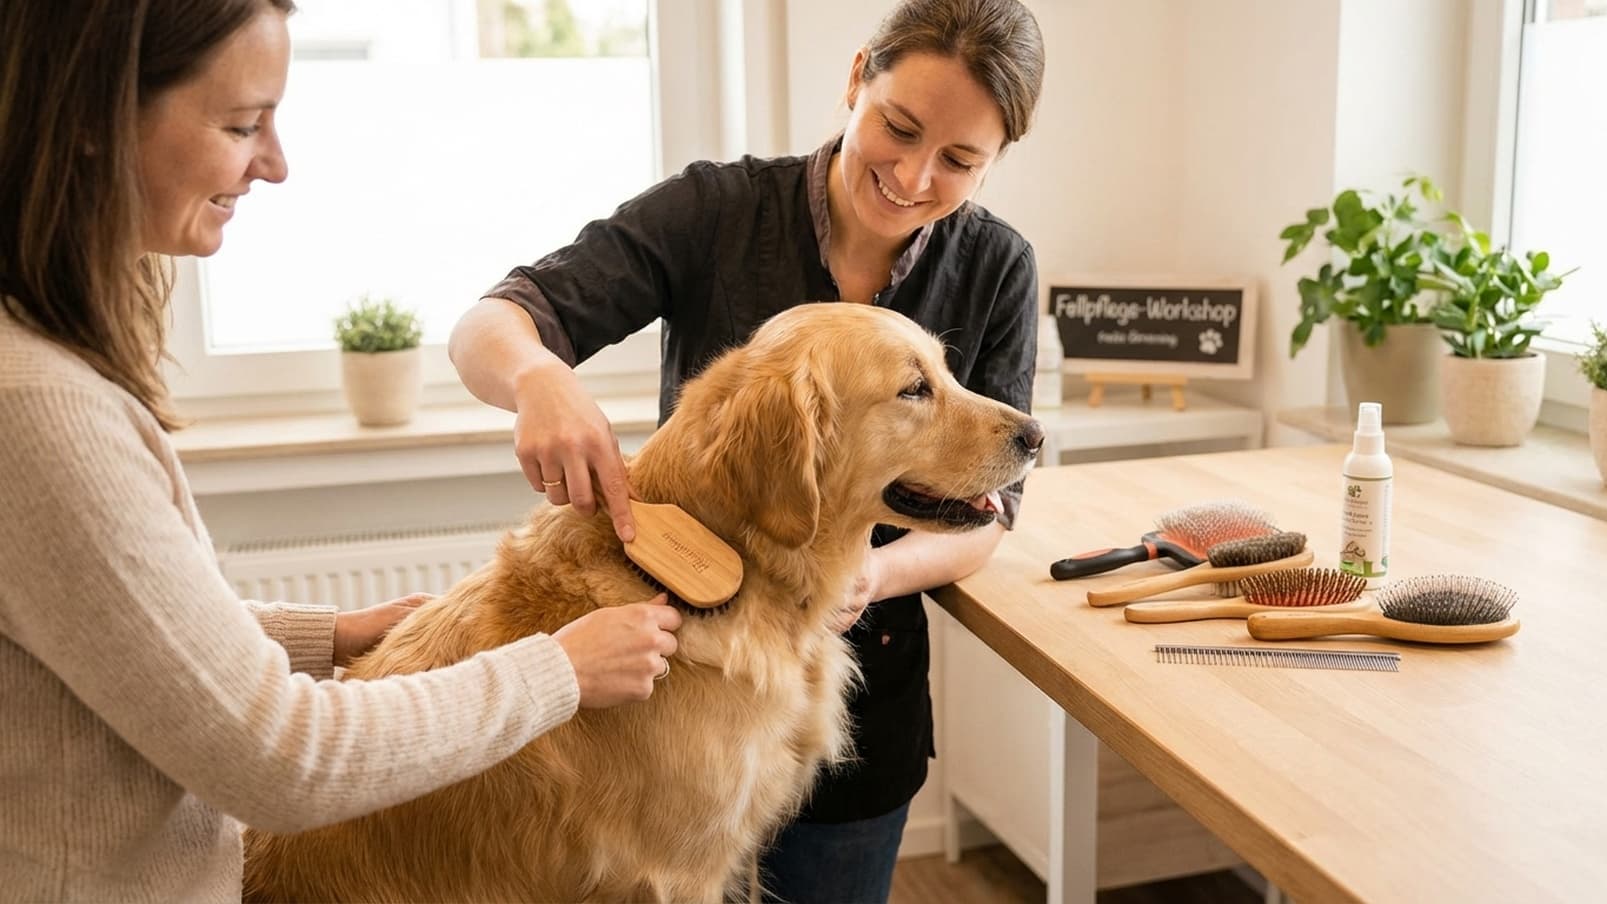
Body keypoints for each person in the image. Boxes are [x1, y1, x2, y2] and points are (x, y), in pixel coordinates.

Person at [0, 2, 680, 900]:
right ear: (93, 118)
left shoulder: (40, 372)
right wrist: (557, 672)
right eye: (242, 125)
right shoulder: (42, 408)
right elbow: (281, 759)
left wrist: (325, 635)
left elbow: (111, 626)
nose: (274, 164)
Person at [448, 0, 1046, 899]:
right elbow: (492, 322)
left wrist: (873, 574)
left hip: (857, 696)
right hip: (672, 670)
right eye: (899, 127)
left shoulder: (998, 264)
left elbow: (990, 517)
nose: (913, 175)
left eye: (960, 160)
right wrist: (538, 377)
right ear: (858, 78)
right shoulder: (716, 211)